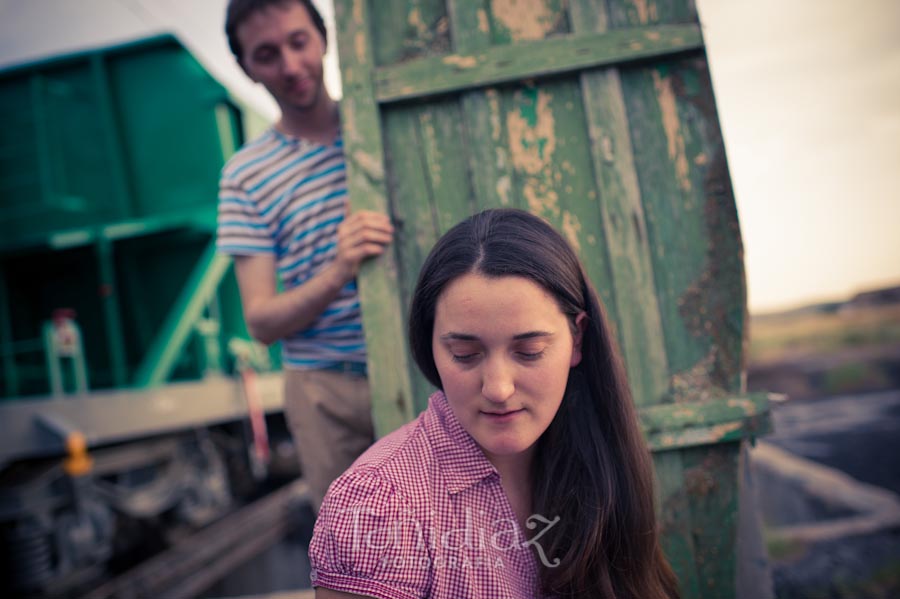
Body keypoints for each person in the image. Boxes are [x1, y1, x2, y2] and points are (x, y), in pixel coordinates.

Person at [309, 209, 680, 598]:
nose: (498, 388)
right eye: (465, 354)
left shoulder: (599, 465)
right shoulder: (377, 505)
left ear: (578, 339)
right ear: (430, 346)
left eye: (530, 350)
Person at [217, 0, 393, 511]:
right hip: (323, 394)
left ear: (324, 39)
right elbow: (262, 322)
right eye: (267, 54)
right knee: (359, 558)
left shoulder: (381, 130)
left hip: (421, 367)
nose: (291, 67)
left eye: (298, 42)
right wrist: (339, 269)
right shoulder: (245, 176)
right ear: (247, 69)